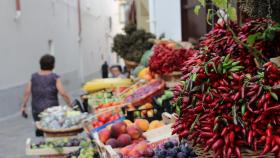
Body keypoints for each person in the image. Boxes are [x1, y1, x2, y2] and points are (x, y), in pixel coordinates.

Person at [20, 54, 72, 136]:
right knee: (52, 130)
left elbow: (27, 92)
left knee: (41, 129)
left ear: (40, 64)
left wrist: (23, 106)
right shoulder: (55, 77)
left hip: (37, 109)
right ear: (53, 65)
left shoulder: (33, 77)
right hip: (52, 110)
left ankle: (42, 139)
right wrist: (70, 104)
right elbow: (63, 93)